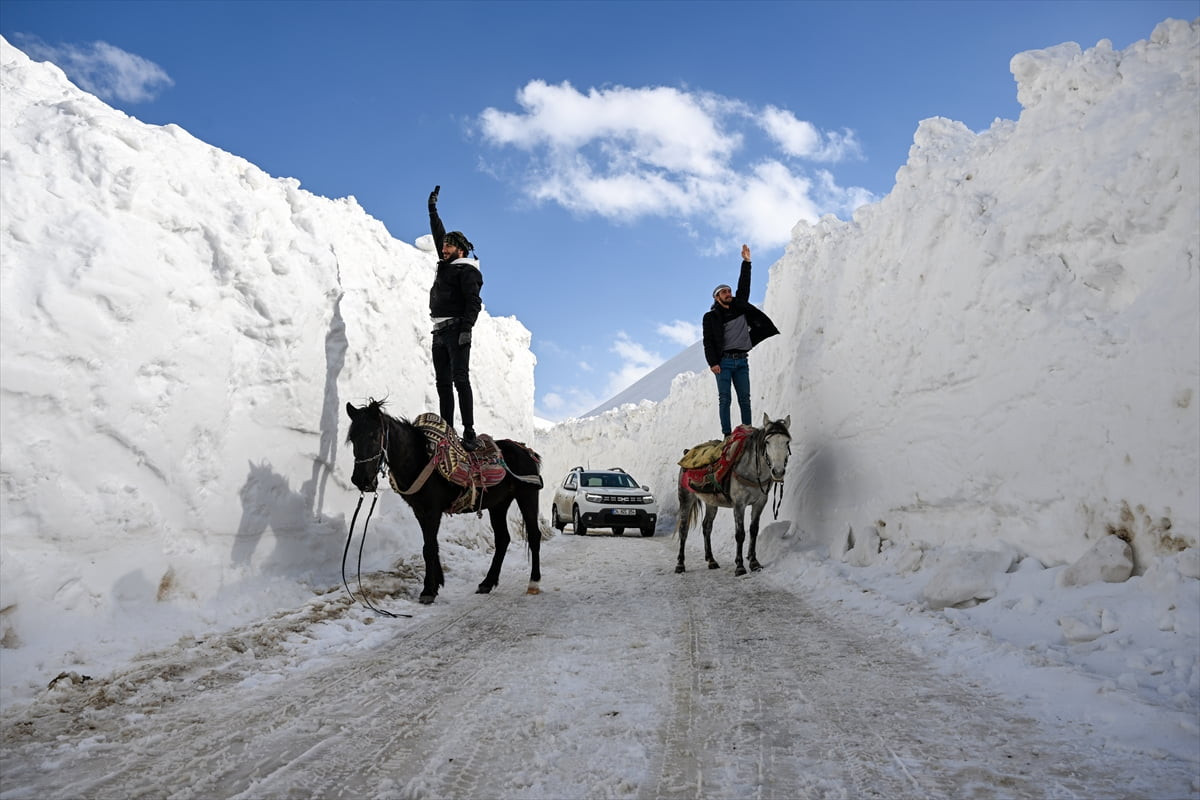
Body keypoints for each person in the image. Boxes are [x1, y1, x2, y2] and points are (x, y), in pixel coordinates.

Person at [702, 244, 780, 438]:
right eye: (724, 292)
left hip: (742, 361)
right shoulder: (711, 317)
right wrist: (713, 362)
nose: (729, 294)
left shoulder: (739, 306)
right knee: (725, 399)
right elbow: (708, 341)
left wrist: (746, 262)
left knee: (745, 398)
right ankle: (727, 435)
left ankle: (747, 431)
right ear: (717, 298)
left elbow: (744, 285)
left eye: (729, 291)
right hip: (724, 363)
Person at [427, 185, 483, 451]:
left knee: (460, 380)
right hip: (439, 332)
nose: (443, 248)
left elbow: (474, 302)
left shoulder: (467, 271)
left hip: (457, 330)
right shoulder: (446, 264)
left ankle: (469, 431)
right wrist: (432, 209)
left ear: (460, 250)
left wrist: (467, 329)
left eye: (449, 245)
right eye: (443, 245)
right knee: (442, 384)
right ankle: (447, 430)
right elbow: (439, 234)